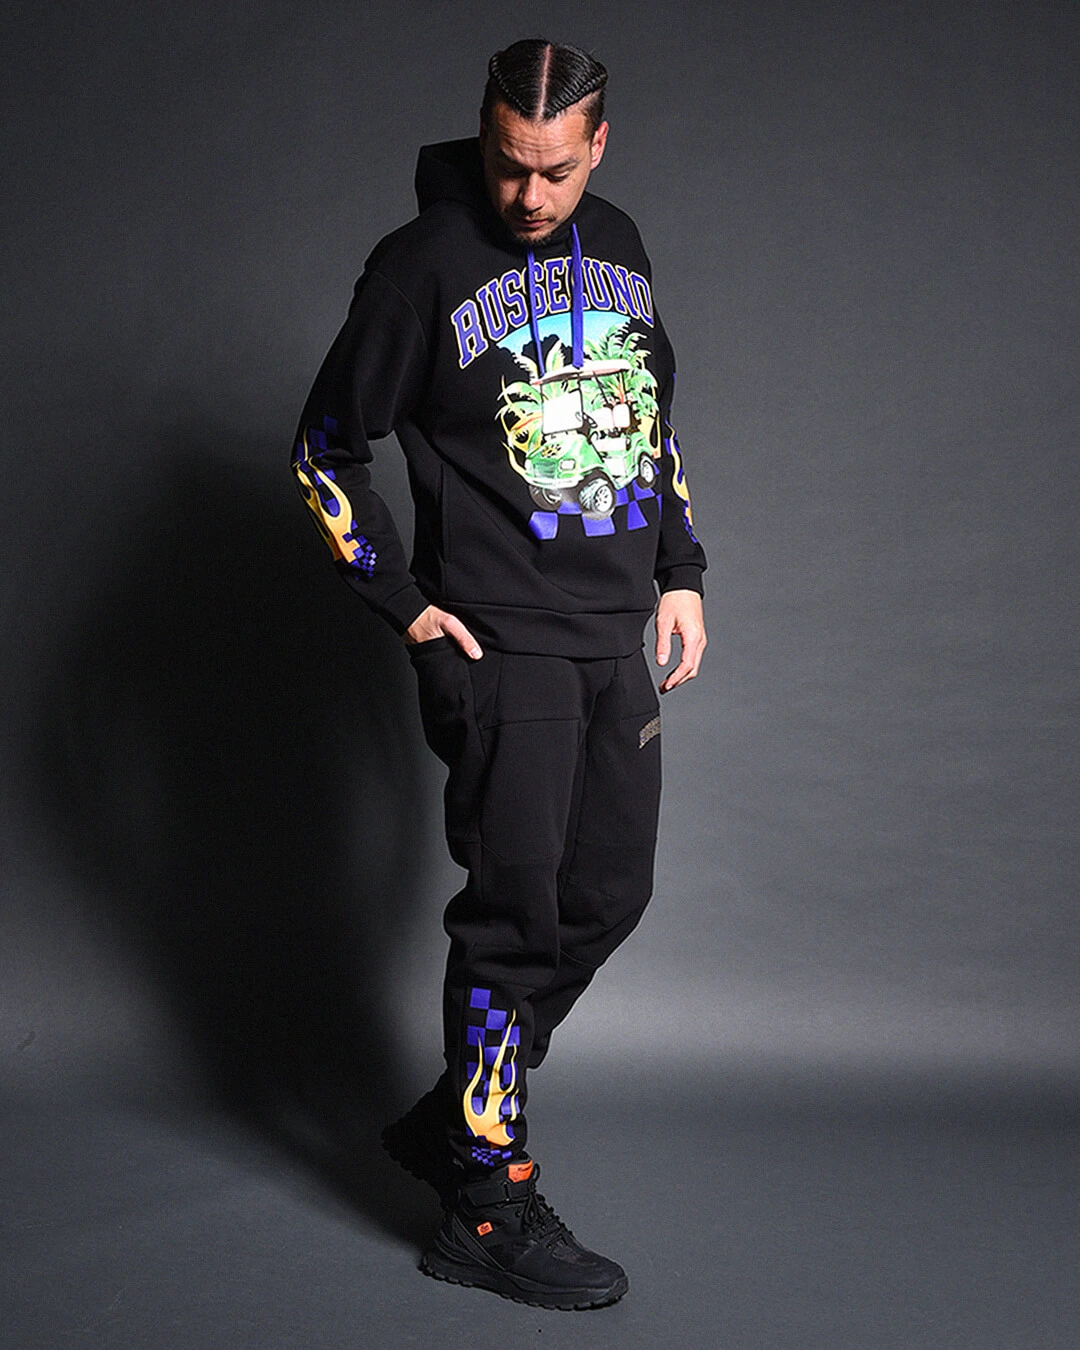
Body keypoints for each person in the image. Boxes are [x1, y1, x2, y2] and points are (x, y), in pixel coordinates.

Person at [292, 38, 706, 1309]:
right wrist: (404, 605)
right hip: (499, 648)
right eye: (509, 165)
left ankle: (458, 1115)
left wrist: (681, 569)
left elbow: (649, 422)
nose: (529, 195)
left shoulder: (620, 243)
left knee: (609, 896)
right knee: (514, 919)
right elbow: (323, 450)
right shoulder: (419, 267)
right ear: (483, 136)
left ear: (599, 147)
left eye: (556, 171)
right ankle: (484, 1196)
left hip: (612, 638)